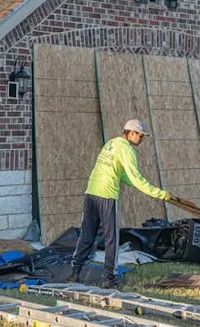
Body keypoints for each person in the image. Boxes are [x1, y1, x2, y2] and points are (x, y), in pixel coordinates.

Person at [69, 119, 171, 289]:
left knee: (87, 235)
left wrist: (138, 184)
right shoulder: (127, 149)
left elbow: (123, 176)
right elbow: (136, 178)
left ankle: (74, 272)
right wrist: (159, 194)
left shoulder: (111, 144)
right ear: (131, 133)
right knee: (112, 239)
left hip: (91, 193)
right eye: (140, 135)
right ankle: (110, 278)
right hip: (107, 196)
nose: (141, 139)